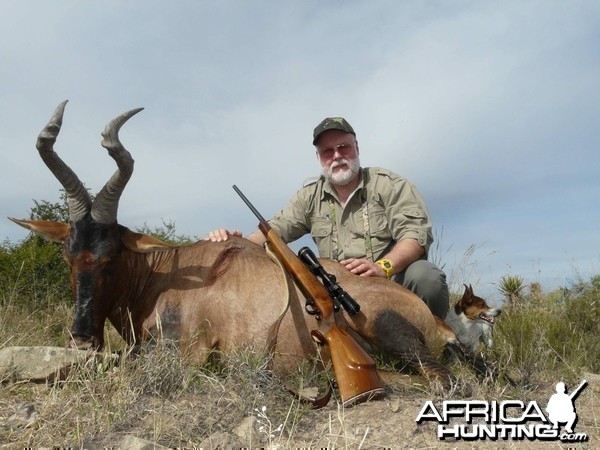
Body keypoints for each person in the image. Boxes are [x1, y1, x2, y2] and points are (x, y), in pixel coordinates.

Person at [207, 117, 449, 318]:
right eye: (327, 151)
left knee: (426, 277)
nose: (336, 156)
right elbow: (275, 231)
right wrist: (236, 244)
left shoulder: (389, 185)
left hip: (390, 282)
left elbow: (414, 238)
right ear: (319, 158)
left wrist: (381, 267)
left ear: (357, 148)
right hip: (340, 292)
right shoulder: (309, 196)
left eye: (343, 147)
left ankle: (438, 342)